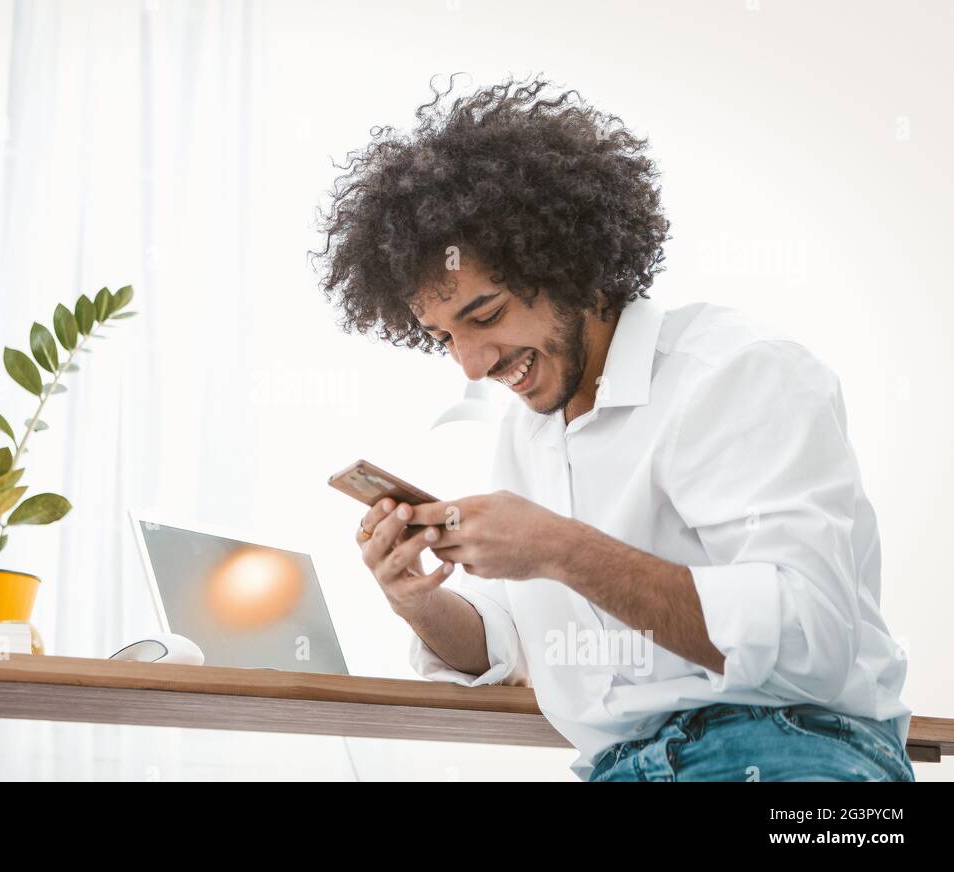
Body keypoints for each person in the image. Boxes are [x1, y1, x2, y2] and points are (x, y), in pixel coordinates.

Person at [314, 76, 913, 781]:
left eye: (486, 315)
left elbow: (810, 637)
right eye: (443, 336)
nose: (472, 365)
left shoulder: (735, 372)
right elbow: (506, 641)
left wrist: (560, 548)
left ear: (575, 268)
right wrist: (416, 599)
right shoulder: (528, 433)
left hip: (785, 751)